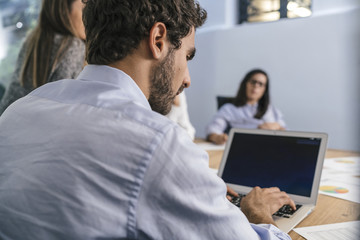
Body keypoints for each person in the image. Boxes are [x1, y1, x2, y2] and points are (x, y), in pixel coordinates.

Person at [0, 1, 295, 239]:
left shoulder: (18, 111)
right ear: (157, 40)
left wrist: (193, 186)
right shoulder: (159, 142)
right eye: (187, 56)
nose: (188, 79)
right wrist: (256, 215)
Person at [0, 0, 86, 115]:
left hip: (8, 119)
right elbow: (63, 108)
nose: (88, 18)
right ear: (64, 11)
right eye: (84, 10)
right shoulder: (72, 46)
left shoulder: (34, 39)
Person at [206, 69, 286, 145]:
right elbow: (213, 130)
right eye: (253, 82)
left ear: (264, 90)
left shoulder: (271, 110)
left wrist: (278, 127)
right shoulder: (229, 109)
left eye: (261, 84)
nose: (256, 86)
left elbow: (287, 133)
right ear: (245, 84)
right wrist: (218, 137)